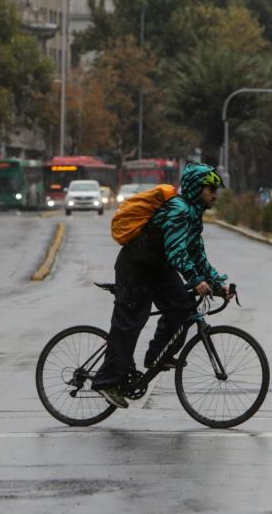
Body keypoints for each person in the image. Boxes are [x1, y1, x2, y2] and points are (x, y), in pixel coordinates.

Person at [91, 163, 232, 408]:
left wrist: (217, 284)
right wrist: (195, 279)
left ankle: (157, 355)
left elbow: (197, 255)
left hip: (158, 268)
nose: (214, 194)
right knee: (130, 322)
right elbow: (177, 252)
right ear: (197, 188)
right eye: (210, 189)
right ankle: (106, 381)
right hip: (135, 267)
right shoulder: (178, 210)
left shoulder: (193, 214)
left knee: (182, 307)